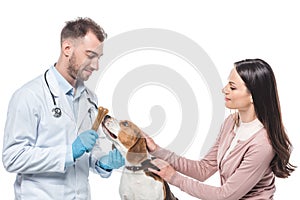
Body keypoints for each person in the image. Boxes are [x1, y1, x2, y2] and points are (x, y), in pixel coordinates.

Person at [2, 17, 124, 199]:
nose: (96, 66)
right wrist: (69, 152)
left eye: (98, 58)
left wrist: (102, 163)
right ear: (67, 49)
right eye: (90, 55)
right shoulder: (29, 96)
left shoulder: (90, 99)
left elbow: (90, 150)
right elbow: (13, 158)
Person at [143, 58, 296, 199]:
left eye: (232, 87)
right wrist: (157, 150)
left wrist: (174, 177)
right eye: (227, 84)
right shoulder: (231, 122)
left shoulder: (262, 144)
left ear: (252, 96)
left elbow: (226, 196)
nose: (224, 90)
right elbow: (203, 169)